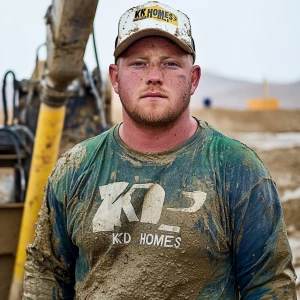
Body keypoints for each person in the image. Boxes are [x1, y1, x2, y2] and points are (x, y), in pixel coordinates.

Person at [23, 1, 296, 299]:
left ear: (193, 79)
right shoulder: (75, 168)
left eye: (170, 63)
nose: (154, 76)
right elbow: (46, 271)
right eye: (139, 63)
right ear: (115, 78)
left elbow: (269, 285)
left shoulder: (238, 169)